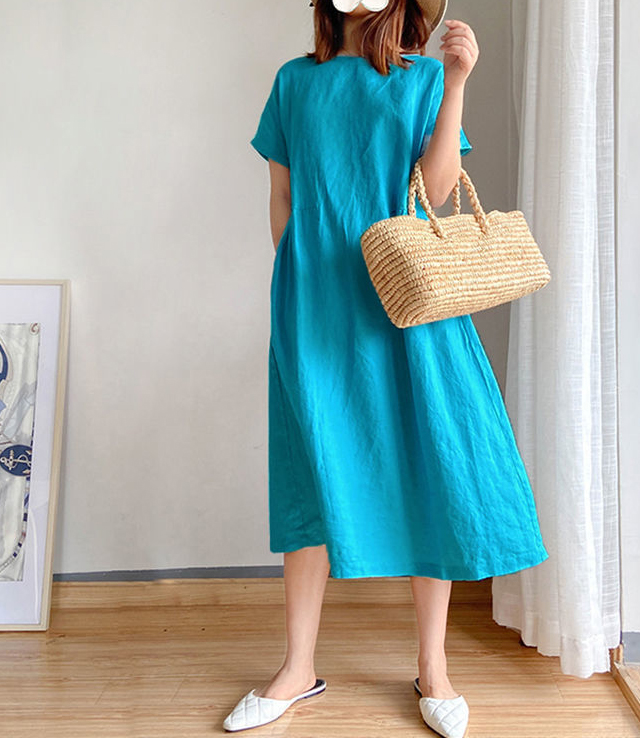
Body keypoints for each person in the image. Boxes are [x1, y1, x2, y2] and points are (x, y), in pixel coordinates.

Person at [223, 1, 549, 735]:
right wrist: (300, 286)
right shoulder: (294, 81)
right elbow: (283, 197)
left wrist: (457, 82)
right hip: (318, 309)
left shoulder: (425, 78)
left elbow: (437, 191)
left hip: (407, 302)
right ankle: (297, 667)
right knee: (310, 472)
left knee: (429, 464)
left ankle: (433, 667)